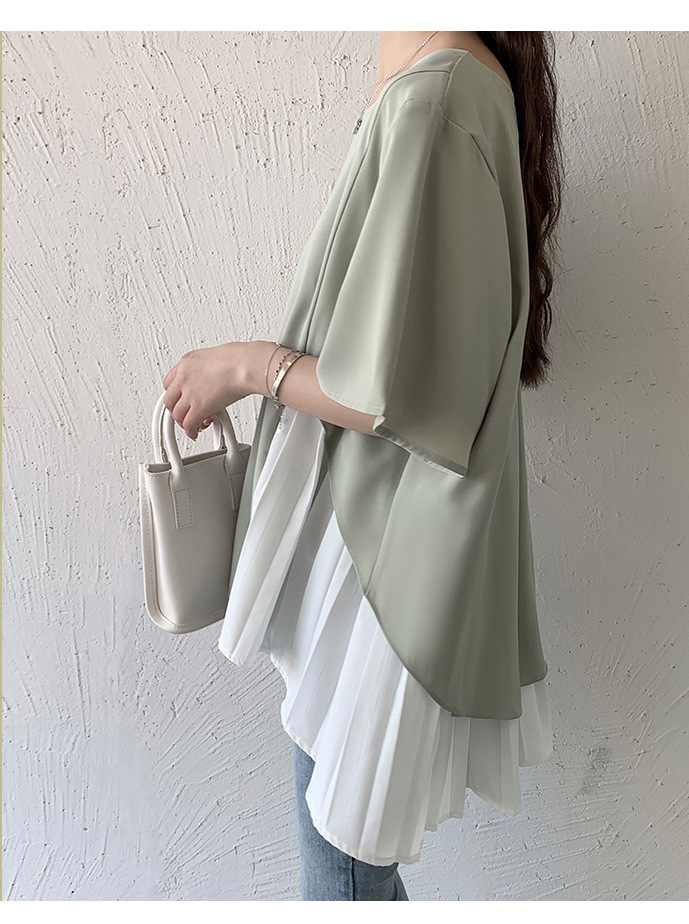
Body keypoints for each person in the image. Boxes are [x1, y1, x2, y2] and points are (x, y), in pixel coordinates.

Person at [161, 30, 564, 902]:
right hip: (379, 539)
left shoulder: (437, 100)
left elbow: (401, 391)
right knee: (350, 873)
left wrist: (243, 366)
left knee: (342, 875)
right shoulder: (446, 85)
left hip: (380, 556)